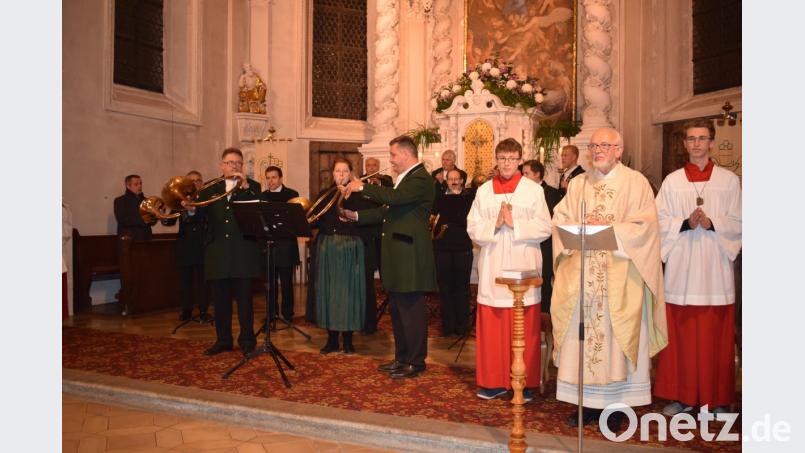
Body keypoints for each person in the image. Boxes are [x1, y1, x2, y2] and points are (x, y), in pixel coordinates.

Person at [551, 127, 667, 431]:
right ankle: (585, 405)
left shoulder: (635, 183)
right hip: (582, 277)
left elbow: (645, 227)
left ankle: (617, 406)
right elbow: (560, 220)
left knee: (616, 341)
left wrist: (607, 230)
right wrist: (579, 228)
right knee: (582, 338)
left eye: (604, 145)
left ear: (619, 149)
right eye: (594, 146)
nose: (598, 150)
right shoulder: (578, 184)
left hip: (620, 277)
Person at [653, 119, 742, 416]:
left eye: (702, 138)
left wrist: (713, 222)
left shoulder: (728, 181)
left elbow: (741, 220)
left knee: (716, 341)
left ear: (712, 143)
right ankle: (683, 397)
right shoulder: (672, 181)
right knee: (682, 341)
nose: (696, 144)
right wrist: (684, 222)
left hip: (715, 270)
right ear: (685, 144)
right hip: (682, 271)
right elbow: (657, 221)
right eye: (691, 139)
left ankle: (716, 400)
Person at [341, 135, 437, 379]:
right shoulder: (406, 179)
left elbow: (394, 199)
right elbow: (387, 210)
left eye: (393, 155)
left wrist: (363, 186)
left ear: (405, 154)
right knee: (398, 310)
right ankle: (402, 358)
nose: (391, 160)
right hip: (398, 254)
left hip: (409, 255)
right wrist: (356, 216)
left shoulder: (420, 178)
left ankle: (416, 361)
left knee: (411, 311)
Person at [467, 138, 552, 401]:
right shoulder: (484, 191)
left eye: (511, 159)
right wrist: (494, 224)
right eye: (502, 158)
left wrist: (515, 223)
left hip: (523, 263)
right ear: (497, 159)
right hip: (494, 264)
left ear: (519, 160)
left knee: (524, 328)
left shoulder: (533, 190)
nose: (506, 164)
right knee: (493, 327)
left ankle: (524, 383)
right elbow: (472, 227)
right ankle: (493, 382)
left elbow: (546, 227)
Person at [187, 148, 262, 357]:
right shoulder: (210, 188)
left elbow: (258, 211)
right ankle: (223, 340)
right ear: (222, 165)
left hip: (243, 253)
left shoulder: (253, 186)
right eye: (230, 162)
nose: (234, 166)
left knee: (245, 302)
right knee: (220, 302)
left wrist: (245, 188)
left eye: (238, 162)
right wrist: (191, 210)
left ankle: (247, 341)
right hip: (218, 253)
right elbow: (199, 216)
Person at [311, 158, 367, 354]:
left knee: (349, 294)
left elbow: (366, 220)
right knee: (329, 293)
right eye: (338, 171)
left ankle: (349, 340)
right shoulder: (325, 195)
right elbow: (314, 221)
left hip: (350, 247)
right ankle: (332, 340)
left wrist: (350, 200)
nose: (341, 174)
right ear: (333, 174)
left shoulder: (359, 195)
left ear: (350, 174)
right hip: (328, 247)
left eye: (345, 171)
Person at [161, 171, 210, 322]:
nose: (194, 183)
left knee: (203, 282)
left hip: (202, 245)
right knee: (185, 282)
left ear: (201, 183)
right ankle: (186, 311)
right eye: (191, 181)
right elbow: (169, 222)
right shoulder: (179, 200)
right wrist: (163, 213)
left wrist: (192, 210)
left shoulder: (206, 199)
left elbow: (207, 217)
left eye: (198, 180)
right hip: (185, 245)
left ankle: (203, 311)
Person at [432, 169, 475, 336]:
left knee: (462, 287)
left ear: (462, 181)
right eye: (450, 179)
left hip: (462, 247)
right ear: (446, 181)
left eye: (457, 179)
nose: (454, 181)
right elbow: (432, 222)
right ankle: (447, 326)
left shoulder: (469, 198)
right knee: (445, 287)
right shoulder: (439, 198)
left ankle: (462, 326)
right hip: (442, 248)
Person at [260, 166, 300, 323]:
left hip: (286, 245)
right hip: (269, 245)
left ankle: (288, 314)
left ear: (281, 178)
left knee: (286, 282)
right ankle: (271, 313)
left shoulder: (292, 195)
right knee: (269, 283)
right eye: (268, 178)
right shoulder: (262, 196)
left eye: (274, 177)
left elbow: (295, 220)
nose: (270, 181)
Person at [358, 157, 393, 334]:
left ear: (378, 167)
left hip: (382, 232)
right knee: (367, 272)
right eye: (369, 165)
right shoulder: (359, 182)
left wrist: (377, 184)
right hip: (366, 233)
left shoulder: (386, 180)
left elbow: (390, 193)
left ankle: (389, 299)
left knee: (385, 268)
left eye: (374, 166)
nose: (371, 168)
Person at [522, 159, 561, 313]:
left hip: (545, 245)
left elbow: (552, 221)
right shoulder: (522, 193)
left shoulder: (551, 193)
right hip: (527, 243)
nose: (523, 177)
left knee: (543, 280)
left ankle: (544, 316)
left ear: (537, 174)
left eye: (527, 173)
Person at [114, 174, 155, 241]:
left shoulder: (147, 201)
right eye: (136, 184)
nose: (140, 186)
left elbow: (152, 222)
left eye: (140, 183)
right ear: (128, 186)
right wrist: (145, 220)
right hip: (129, 240)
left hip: (146, 238)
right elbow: (123, 220)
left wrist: (156, 215)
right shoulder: (120, 201)